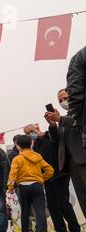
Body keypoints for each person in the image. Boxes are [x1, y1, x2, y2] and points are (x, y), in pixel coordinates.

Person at [24, 123, 83, 232]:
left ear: (37, 128)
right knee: (52, 205)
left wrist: (48, 130)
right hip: (48, 177)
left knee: (63, 203)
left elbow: (55, 134)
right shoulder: (35, 146)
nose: (31, 134)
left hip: (60, 174)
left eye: (31, 131)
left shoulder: (49, 136)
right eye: (27, 133)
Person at [46, 88, 86, 221]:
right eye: (60, 100)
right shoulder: (64, 119)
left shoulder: (80, 111)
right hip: (71, 163)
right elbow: (56, 140)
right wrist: (53, 125)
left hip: (83, 158)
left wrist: (61, 119)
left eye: (65, 98)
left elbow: (78, 124)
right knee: (82, 196)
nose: (63, 101)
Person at [8, 135, 54, 232]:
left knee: (25, 210)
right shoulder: (38, 156)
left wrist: (10, 187)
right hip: (37, 186)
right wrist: (41, 179)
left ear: (18, 146)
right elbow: (50, 170)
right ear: (31, 144)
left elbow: (12, 174)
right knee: (40, 210)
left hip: (23, 186)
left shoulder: (17, 159)